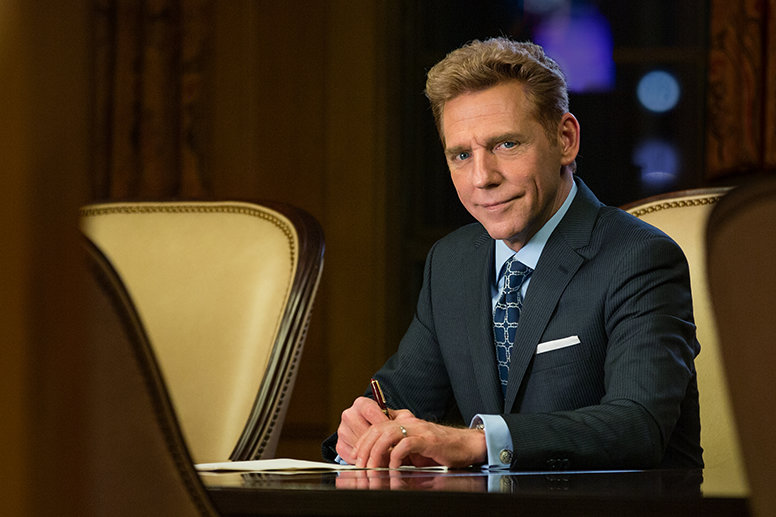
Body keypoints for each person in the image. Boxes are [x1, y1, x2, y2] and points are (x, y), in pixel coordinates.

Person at [322, 37, 703, 471]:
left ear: (565, 139)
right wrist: (361, 433)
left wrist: (477, 442)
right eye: (461, 155)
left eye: (506, 145)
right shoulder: (452, 262)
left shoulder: (640, 258)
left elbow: (638, 426)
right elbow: (398, 401)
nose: (482, 177)